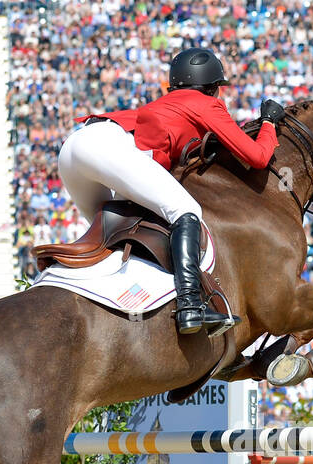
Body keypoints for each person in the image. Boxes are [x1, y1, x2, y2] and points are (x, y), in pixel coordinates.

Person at [59, 48, 284, 335]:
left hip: (73, 149)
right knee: (187, 211)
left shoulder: (167, 104)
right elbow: (257, 157)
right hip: (107, 148)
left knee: (112, 235)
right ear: (212, 88)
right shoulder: (205, 104)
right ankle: (190, 305)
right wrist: (268, 123)